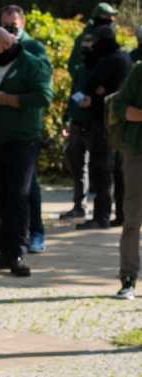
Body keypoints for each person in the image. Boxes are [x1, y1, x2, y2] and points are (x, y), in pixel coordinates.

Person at [0, 27, 53, 277]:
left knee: (19, 194)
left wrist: (9, 99)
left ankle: (19, 251)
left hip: (22, 139)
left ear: (8, 45)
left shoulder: (33, 64)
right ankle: (3, 249)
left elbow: (43, 96)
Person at [76, 26, 131, 230]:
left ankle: (102, 216)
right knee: (116, 170)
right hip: (117, 123)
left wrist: (97, 91)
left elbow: (93, 86)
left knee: (102, 169)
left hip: (105, 123)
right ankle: (121, 215)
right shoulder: (123, 58)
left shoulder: (112, 60)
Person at [111, 60, 142, 300]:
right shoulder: (139, 70)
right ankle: (128, 278)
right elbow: (118, 105)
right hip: (138, 152)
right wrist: (137, 114)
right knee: (132, 218)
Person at [60, 34, 95, 220]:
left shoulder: (103, 68)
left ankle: (102, 208)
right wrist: (67, 119)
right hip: (77, 123)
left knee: (100, 168)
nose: (86, 51)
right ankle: (79, 205)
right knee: (76, 164)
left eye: (90, 47)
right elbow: (73, 95)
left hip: (94, 125)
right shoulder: (81, 69)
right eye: (84, 47)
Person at [68, 2, 117, 77]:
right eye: (108, 16)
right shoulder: (88, 37)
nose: (111, 20)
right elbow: (73, 64)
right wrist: (82, 81)